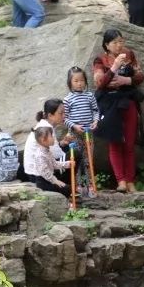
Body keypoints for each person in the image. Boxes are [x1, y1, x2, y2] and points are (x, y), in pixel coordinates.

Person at [92, 29, 144, 192]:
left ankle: (130, 181)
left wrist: (126, 80)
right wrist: (115, 66)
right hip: (109, 105)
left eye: (121, 41)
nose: (119, 45)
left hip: (127, 101)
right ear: (107, 45)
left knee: (129, 143)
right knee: (114, 142)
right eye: (114, 42)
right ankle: (120, 180)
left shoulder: (129, 55)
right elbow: (101, 83)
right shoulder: (100, 60)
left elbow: (140, 76)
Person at [64, 66, 100, 198]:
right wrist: (74, 126)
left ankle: (90, 185)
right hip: (74, 134)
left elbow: (95, 111)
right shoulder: (68, 99)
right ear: (70, 83)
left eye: (82, 80)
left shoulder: (90, 96)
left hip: (88, 132)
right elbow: (65, 117)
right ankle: (79, 186)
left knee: (88, 159)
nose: (79, 83)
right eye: (76, 81)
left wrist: (95, 122)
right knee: (77, 159)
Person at [23, 98, 74, 183]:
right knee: (75, 153)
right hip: (39, 175)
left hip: (32, 172)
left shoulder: (45, 125)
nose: (64, 116)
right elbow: (57, 155)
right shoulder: (47, 128)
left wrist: (62, 143)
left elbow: (51, 149)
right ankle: (69, 184)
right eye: (61, 113)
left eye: (64, 113)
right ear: (50, 115)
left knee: (68, 148)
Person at [31, 126, 70, 195]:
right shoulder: (40, 155)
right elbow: (45, 173)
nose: (53, 138)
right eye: (51, 136)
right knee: (66, 189)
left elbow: (54, 164)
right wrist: (56, 181)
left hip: (48, 179)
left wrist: (67, 164)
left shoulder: (47, 150)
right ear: (43, 140)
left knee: (67, 187)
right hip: (43, 181)